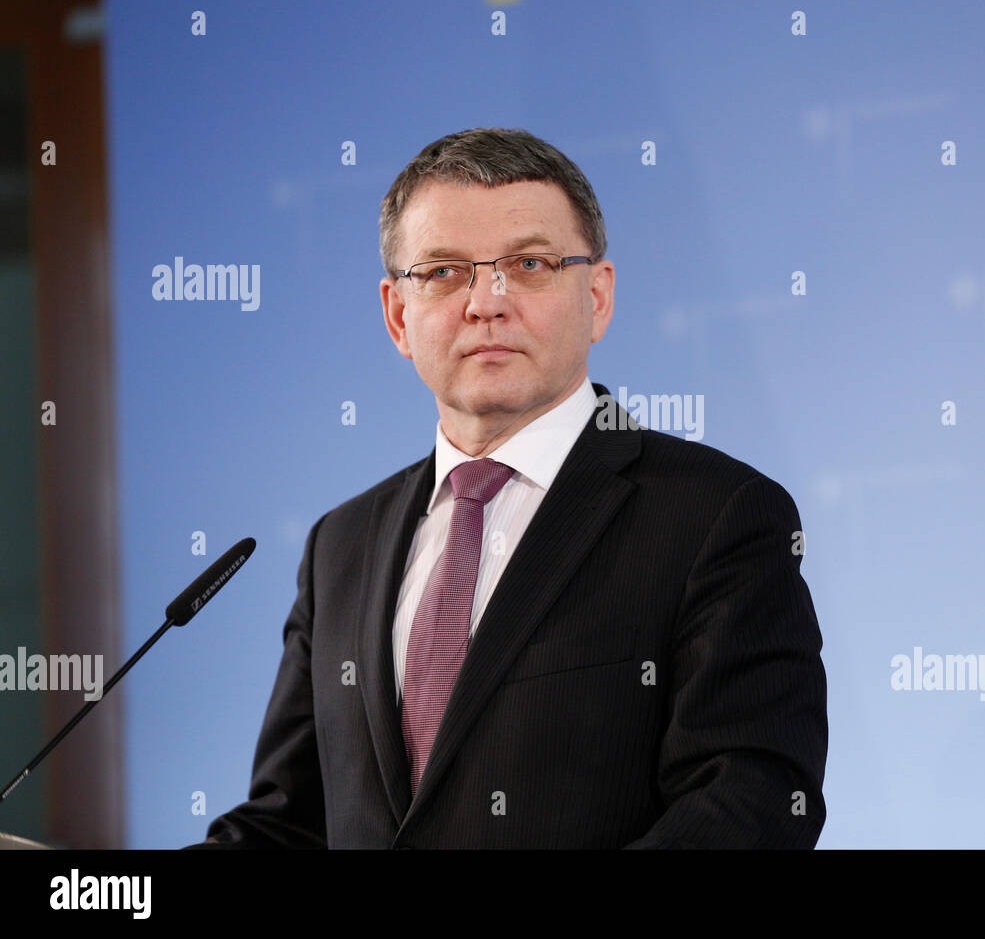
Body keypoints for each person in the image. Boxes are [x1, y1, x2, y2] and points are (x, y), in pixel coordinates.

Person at [192, 127, 828, 848]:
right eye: (442, 272)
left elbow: (749, 803)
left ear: (598, 295)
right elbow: (289, 827)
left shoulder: (716, 516)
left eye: (528, 264)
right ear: (398, 316)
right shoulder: (342, 544)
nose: (486, 303)